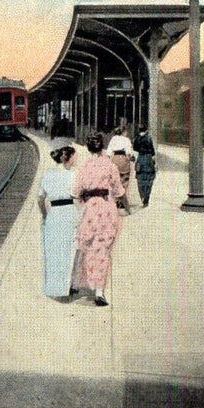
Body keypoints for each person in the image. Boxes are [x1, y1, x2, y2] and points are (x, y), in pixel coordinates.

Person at [71, 132, 125, 307]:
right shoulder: (110, 166)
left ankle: (75, 283)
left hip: (89, 209)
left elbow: (75, 192)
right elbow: (118, 191)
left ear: (88, 148)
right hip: (106, 208)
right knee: (102, 250)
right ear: (102, 147)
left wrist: (82, 203)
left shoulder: (84, 167)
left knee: (84, 245)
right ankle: (99, 291)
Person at [37, 145, 80, 300]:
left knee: (53, 252)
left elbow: (41, 199)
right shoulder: (73, 175)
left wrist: (45, 215)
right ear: (67, 158)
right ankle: (66, 288)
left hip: (53, 213)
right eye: (75, 156)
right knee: (69, 251)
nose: (77, 160)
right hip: (68, 211)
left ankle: (53, 288)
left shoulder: (47, 175)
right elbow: (78, 196)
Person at [106, 125, 135, 214]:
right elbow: (128, 152)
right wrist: (130, 158)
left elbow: (108, 152)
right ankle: (122, 201)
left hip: (114, 159)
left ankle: (115, 200)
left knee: (114, 180)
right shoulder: (126, 140)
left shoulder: (113, 139)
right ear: (124, 132)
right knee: (124, 180)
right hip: (123, 159)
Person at [133, 125, 157, 207]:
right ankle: (147, 196)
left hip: (140, 158)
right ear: (146, 130)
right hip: (148, 159)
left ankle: (142, 195)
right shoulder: (148, 138)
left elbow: (134, 148)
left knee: (140, 178)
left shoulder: (136, 139)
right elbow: (152, 150)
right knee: (149, 177)